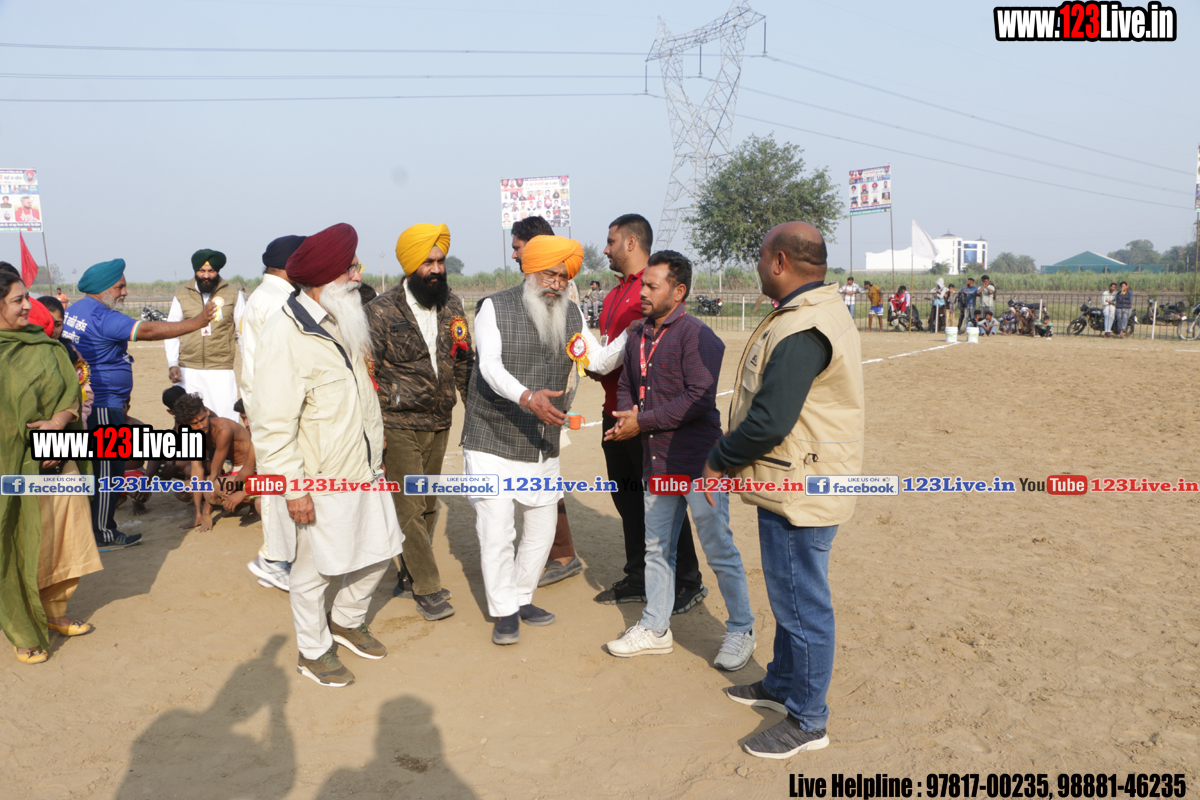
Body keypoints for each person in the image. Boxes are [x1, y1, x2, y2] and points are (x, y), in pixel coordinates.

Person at [705, 221, 864, 760]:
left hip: (801, 488)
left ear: (778, 262)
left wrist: (719, 462)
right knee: (789, 596)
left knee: (802, 604)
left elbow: (770, 420)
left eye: (759, 256)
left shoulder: (803, 326)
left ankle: (808, 721)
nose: (756, 266)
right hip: (797, 480)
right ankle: (781, 684)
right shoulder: (814, 309)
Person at [250, 223, 404, 688]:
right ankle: (313, 651)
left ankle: (347, 620)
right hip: (317, 477)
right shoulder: (285, 333)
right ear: (324, 278)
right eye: (350, 269)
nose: (358, 276)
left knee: (381, 550)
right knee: (312, 573)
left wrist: (374, 448)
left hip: (363, 466)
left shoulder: (342, 317)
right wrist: (293, 489)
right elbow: (272, 424)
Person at [462, 235, 628, 646]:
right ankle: (504, 611)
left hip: (540, 439)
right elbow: (489, 366)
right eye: (548, 275)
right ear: (530, 270)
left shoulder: (571, 313)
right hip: (491, 437)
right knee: (497, 530)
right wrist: (526, 397)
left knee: (542, 525)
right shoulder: (493, 307)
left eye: (563, 277)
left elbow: (598, 359)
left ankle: (521, 597)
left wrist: (635, 331)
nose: (555, 284)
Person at [603, 251, 756, 670]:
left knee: (718, 548)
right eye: (642, 284)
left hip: (698, 465)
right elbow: (626, 383)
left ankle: (741, 629)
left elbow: (699, 397)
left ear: (679, 291)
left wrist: (641, 422)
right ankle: (655, 627)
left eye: (652, 286)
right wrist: (626, 415)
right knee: (656, 548)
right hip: (657, 464)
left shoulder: (698, 336)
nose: (643, 292)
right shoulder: (637, 334)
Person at [62, 259, 216, 549]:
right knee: (108, 470)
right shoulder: (102, 316)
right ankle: (103, 532)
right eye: (120, 287)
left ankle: (91, 528)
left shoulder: (75, 311)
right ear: (102, 288)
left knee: (92, 468)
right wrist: (197, 323)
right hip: (103, 405)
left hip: (90, 403)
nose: (125, 292)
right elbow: (149, 331)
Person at [595, 213, 705, 612]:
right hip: (615, 413)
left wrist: (641, 417)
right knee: (627, 500)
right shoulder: (614, 295)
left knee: (663, 503)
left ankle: (688, 581)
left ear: (630, 242)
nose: (605, 249)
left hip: (647, 420)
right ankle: (639, 575)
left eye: (611, 241)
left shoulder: (653, 292)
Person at [367, 222, 473, 622]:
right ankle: (427, 587)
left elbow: (464, 363)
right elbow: (367, 372)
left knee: (427, 504)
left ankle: (410, 572)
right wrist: (374, 428)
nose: (436, 269)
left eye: (440, 261)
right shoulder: (380, 311)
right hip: (398, 422)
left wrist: (474, 413)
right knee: (409, 507)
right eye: (428, 262)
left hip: (440, 420)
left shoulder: (453, 306)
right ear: (411, 265)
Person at [0, 271, 104, 664]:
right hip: (10, 466)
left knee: (64, 537)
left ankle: (55, 611)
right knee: (15, 542)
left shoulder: (46, 346)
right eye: (17, 300)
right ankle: (23, 627)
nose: (28, 306)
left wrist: (58, 423)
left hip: (58, 458)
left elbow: (69, 394)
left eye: (27, 297)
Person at [508, 216, 583, 587]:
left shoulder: (561, 292)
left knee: (544, 480)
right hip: (530, 401)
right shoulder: (531, 288)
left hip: (548, 402)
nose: (513, 254)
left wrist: (556, 404)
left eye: (518, 247)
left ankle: (562, 553)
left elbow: (571, 354)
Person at [240, 235, 306, 592]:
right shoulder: (276, 300)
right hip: (275, 404)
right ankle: (273, 559)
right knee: (280, 482)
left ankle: (279, 558)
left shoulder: (266, 295)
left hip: (266, 401)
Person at [165, 249, 246, 422]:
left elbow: (243, 332)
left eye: (211, 271)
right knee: (190, 421)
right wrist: (173, 363)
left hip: (221, 369)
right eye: (202, 271)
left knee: (225, 419)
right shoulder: (181, 293)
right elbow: (171, 331)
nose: (206, 276)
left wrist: (247, 363)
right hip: (188, 369)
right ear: (195, 270)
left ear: (218, 271)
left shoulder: (233, 293)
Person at [169, 392, 256, 532]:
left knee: (214, 486)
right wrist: (198, 514)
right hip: (235, 471)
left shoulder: (223, 429)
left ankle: (252, 504)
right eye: (194, 424)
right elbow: (197, 470)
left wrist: (206, 513)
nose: (201, 426)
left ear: (207, 411)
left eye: (202, 420)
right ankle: (238, 504)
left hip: (252, 469)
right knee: (182, 489)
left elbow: (215, 473)